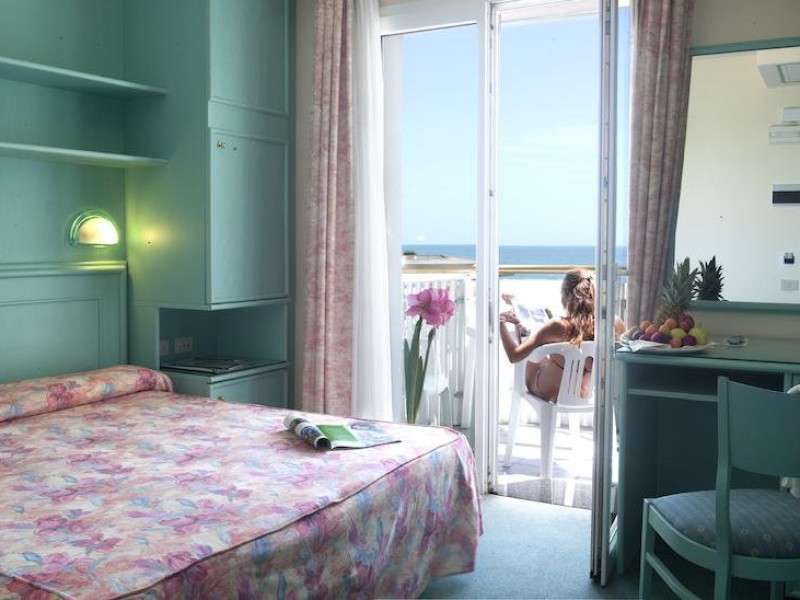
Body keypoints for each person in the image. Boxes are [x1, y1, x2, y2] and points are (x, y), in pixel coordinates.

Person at [498, 269, 624, 403]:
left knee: (537, 347)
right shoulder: (615, 323)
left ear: (567, 296)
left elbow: (514, 356)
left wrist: (501, 322)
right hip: (588, 394)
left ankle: (521, 323)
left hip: (551, 392)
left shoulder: (557, 326)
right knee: (552, 350)